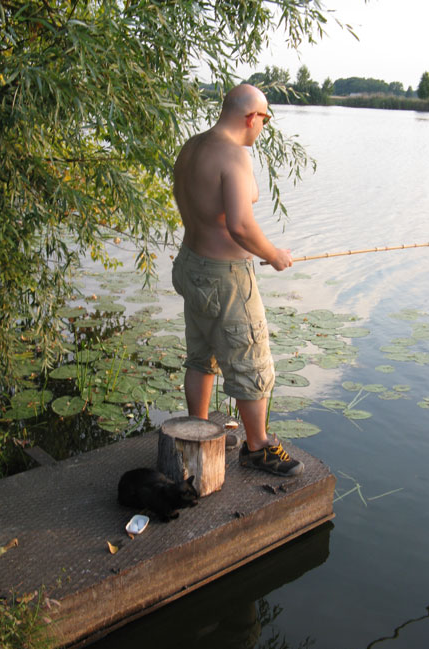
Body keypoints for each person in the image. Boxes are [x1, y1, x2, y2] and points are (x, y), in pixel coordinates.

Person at [172, 83, 304, 477]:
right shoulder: (234, 155)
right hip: (226, 278)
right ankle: (259, 447)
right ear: (251, 118)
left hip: (191, 265)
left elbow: (205, 200)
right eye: (264, 119)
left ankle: (198, 430)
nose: (263, 126)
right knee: (251, 360)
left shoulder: (193, 147)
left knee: (201, 357)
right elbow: (241, 225)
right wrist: (273, 255)